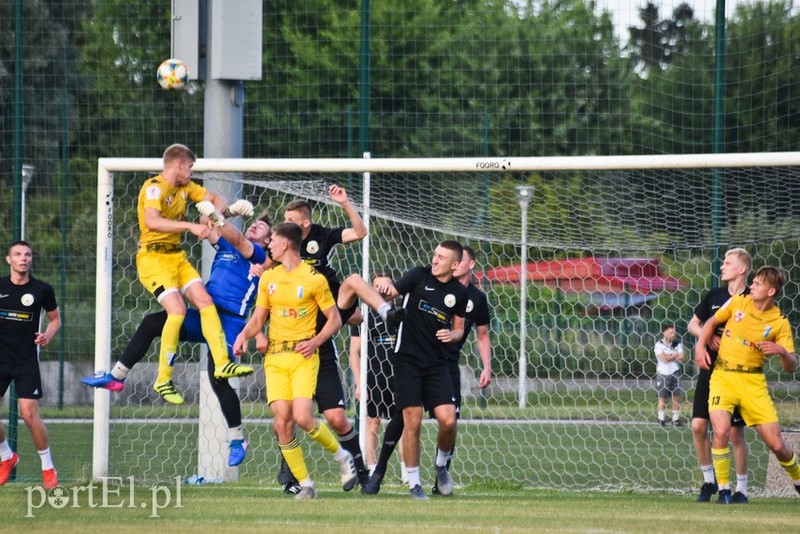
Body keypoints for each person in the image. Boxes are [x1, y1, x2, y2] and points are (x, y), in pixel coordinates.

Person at [82, 205, 270, 466]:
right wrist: (224, 211)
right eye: (252, 224)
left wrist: (256, 334)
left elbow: (238, 238)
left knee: (218, 379)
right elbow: (206, 222)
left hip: (230, 323)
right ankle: (117, 376)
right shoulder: (226, 247)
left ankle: (237, 439)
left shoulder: (259, 258)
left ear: (268, 241)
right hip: (206, 315)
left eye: (259, 228)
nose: (253, 227)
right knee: (151, 323)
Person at [232, 222, 357, 500]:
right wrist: (243, 335)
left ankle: (342, 457)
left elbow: (335, 319)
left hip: (303, 358)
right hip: (275, 358)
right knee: (282, 424)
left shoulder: (314, 279)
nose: (269, 245)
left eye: (272, 241)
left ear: (285, 244)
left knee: (302, 417)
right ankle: (306, 484)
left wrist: (315, 342)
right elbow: (258, 318)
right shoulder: (268, 278)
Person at [362, 244, 491, 496]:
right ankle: (414, 483)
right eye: (434, 254)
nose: (435, 259)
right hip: (407, 360)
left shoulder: (460, 294)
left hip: (437, 364)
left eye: (441, 257)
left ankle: (441, 466)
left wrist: (452, 335)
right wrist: (384, 292)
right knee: (412, 420)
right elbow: (391, 293)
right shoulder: (419, 275)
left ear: (454, 265)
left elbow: (458, 329)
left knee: (448, 419)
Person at [134, 143, 253, 403]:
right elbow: (152, 220)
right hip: (153, 258)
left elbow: (216, 201)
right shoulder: (154, 186)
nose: (191, 171)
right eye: (190, 167)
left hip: (176, 257)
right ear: (179, 164)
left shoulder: (186, 188)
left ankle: (223, 362)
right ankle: (164, 378)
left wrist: (226, 212)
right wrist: (190, 226)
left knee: (205, 302)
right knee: (176, 310)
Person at [277, 186, 373, 492]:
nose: (286, 223)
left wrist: (345, 203)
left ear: (305, 224)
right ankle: (293, 479)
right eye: (284, 219)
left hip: (324, 332)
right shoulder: (281, 254)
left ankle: (360, 469)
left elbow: (360, 232)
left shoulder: (321, 236)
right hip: (295, 345)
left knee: (337, 419)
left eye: (290, 219)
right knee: (290, 415)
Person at [695, 266, 800, 504]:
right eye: (752, 282)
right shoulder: (737, 303)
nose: (751, 285)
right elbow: (710, 323)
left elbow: (792, 366)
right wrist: (699, 347)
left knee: (777, 445)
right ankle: (724, 491)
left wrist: (782, 351)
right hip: (723, 376)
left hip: (753, 383)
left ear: (771, 290)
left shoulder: (779, 322)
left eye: (758, 283)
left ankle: (798, 480)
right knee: (720, 431)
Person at [687, 247, 752, 503]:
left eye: (728, 262)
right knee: (698, 425)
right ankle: (709, 481)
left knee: (734, 434)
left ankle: (742, 490)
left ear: (742, 269)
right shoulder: (714, 295)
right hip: (709, 369)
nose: (722, 266)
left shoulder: (753, 297)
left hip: (736, 373)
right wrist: (707, 334)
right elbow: (693, 323)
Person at [0, 241, 62, 490]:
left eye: (27, 254)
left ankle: (48, 468)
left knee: (28, 414)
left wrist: (47, 335)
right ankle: (7, 456)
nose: (23, 258)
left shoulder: (42, 289)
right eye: (18, 254)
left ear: (31, 260)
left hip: (25, 361)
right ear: (9, 260)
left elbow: (55, 319)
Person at [347, 271, 406, 477]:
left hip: (399, 374)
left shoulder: (401, 312)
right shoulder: (363, 314)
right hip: (373, 375)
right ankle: (372, 471)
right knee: (372, 422)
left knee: (403, 424)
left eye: (384, 286)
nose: (380, 290)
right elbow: (354, 352)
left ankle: (407, 474)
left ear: (393, 288)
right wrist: (359, 382)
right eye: (376, 286)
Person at [654, 324, 684, 427]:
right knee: (662, 397)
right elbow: (663, 358)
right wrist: (675, 355)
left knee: (677, 396)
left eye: (674, 332)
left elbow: (681, 358)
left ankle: (675, 419)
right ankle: (661, 419)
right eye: (671, 332)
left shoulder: (677, 344)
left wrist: (670, 356)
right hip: (662, 373)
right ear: (664, 333)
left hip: (675, 372)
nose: (673, 334)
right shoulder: (659, 344)